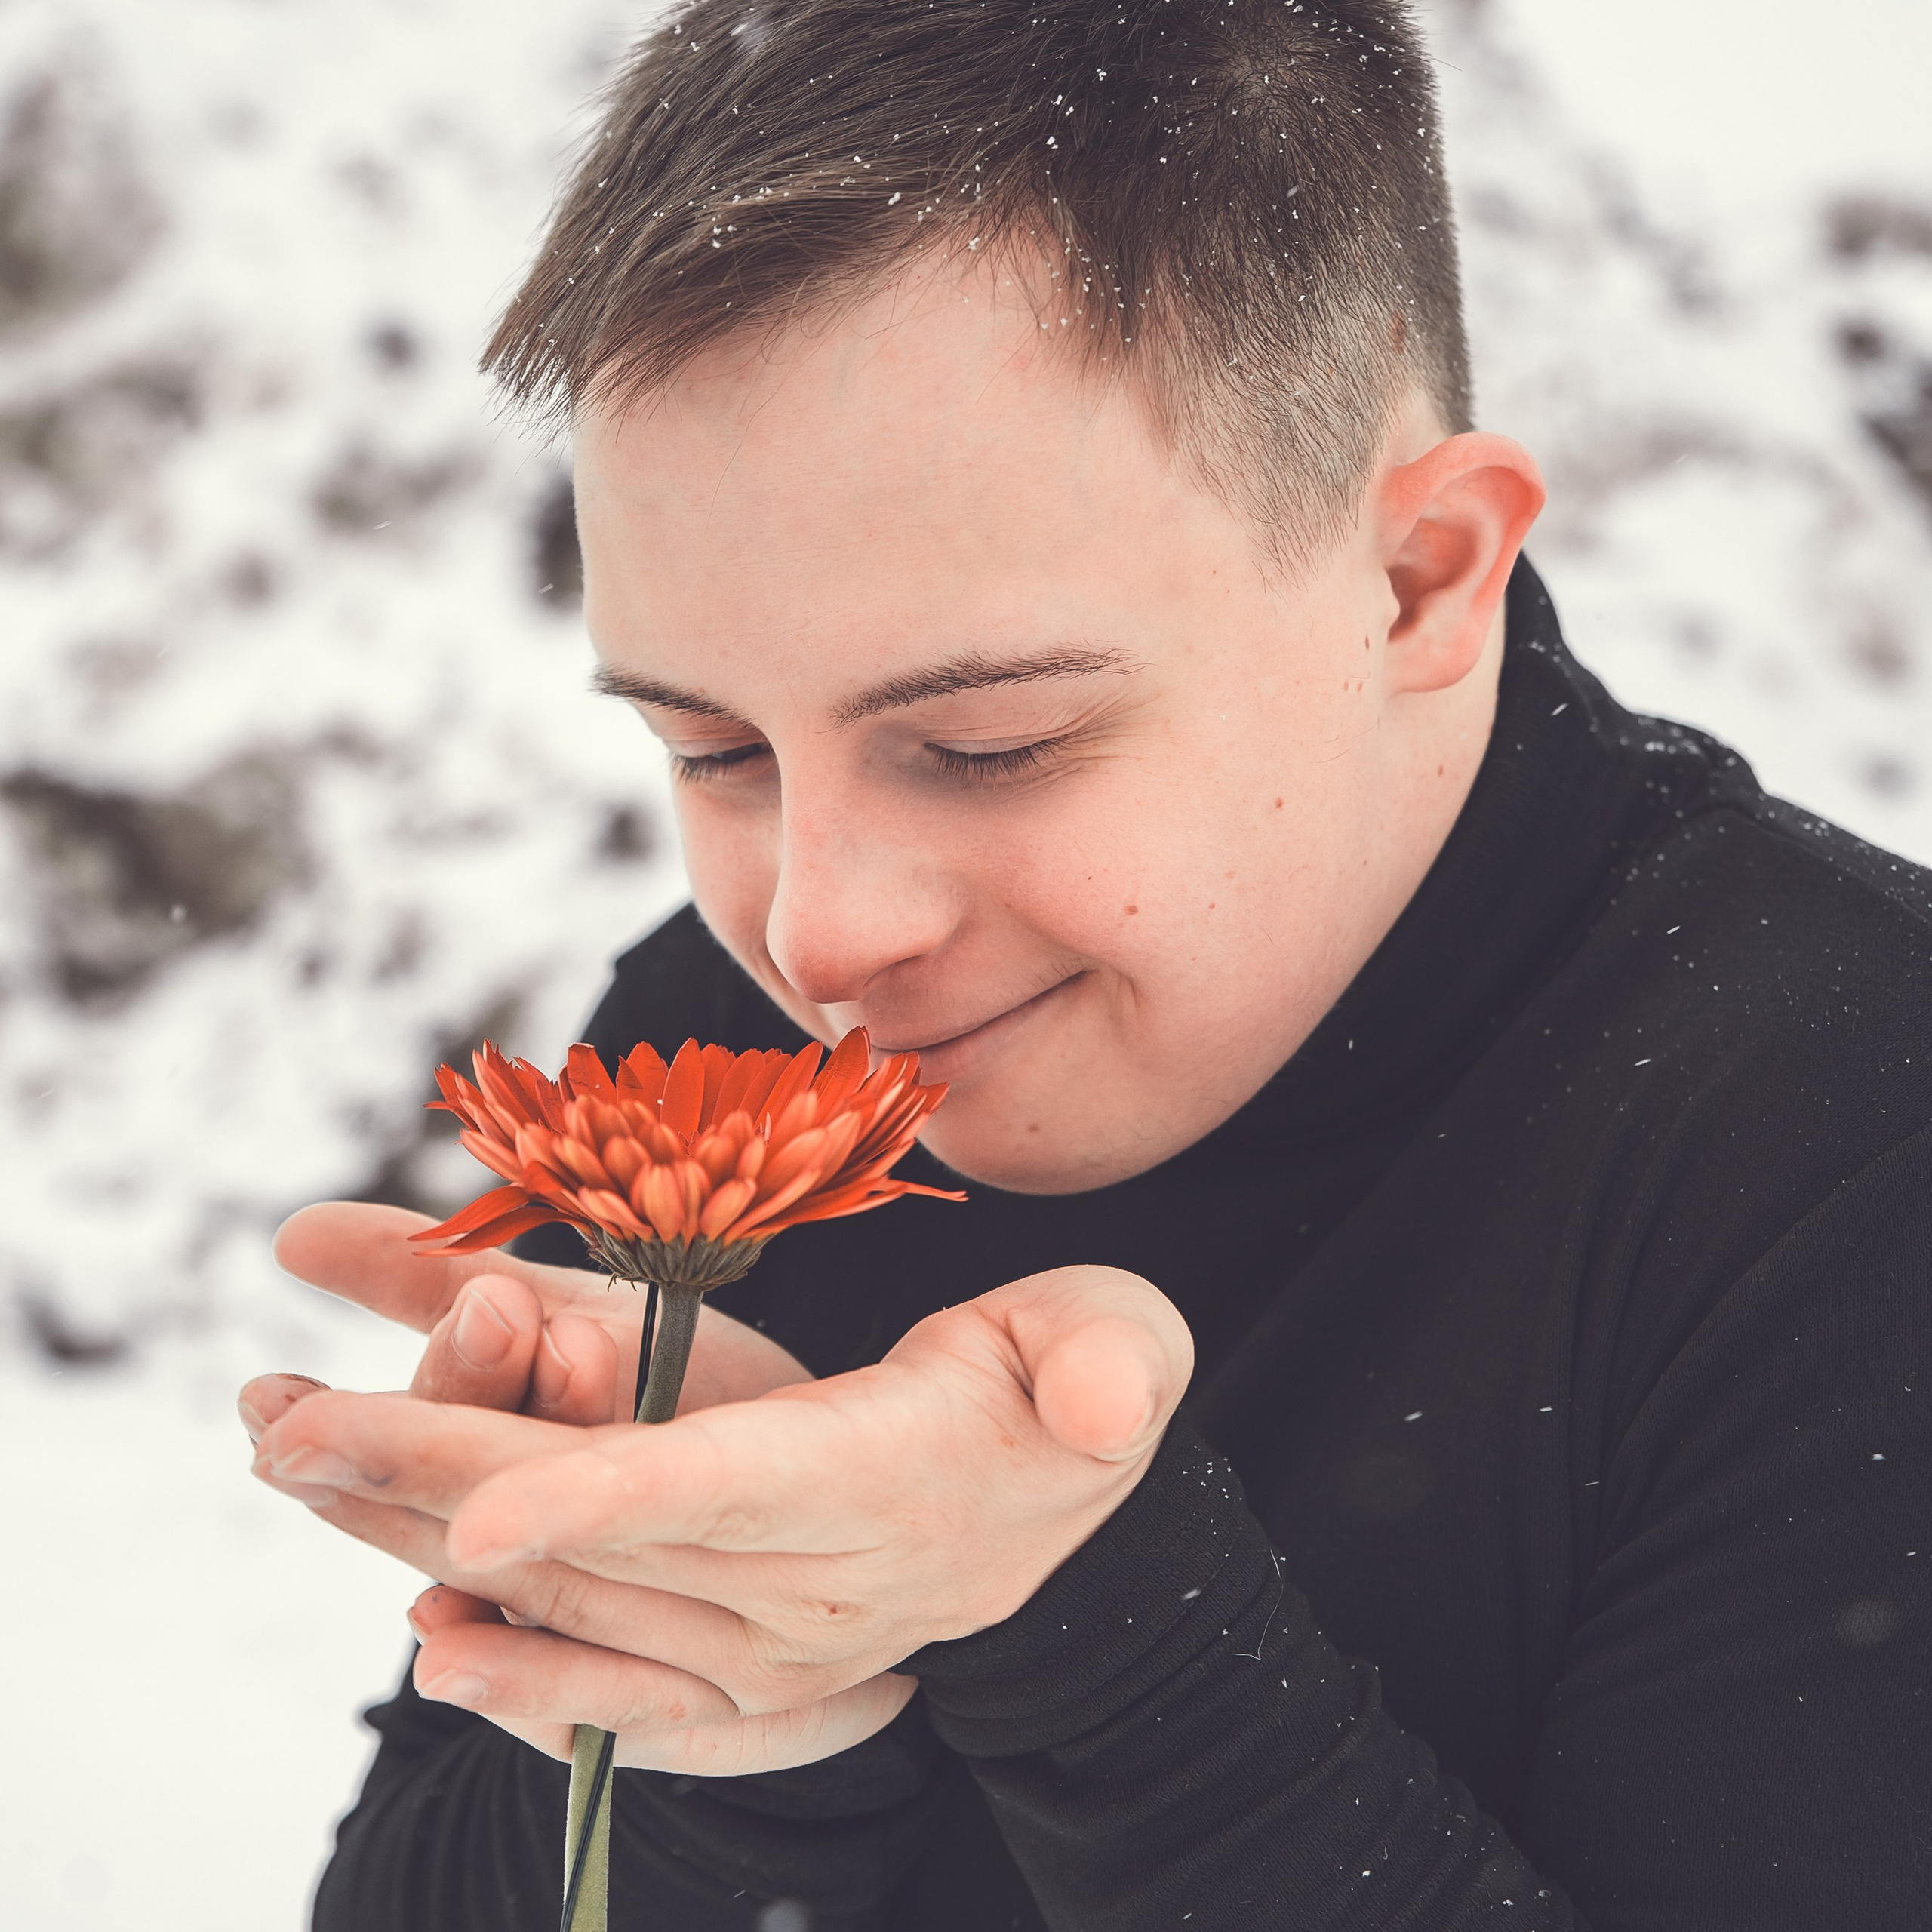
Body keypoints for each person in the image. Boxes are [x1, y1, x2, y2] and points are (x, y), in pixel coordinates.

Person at [241, 1, 1932, 1926]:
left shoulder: (1858, 1150)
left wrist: (1085, 1616)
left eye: (986, 742)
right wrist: (745, 1706)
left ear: (1418, 579)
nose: (814, 928)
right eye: (710, 749)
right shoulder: (731, 1085)